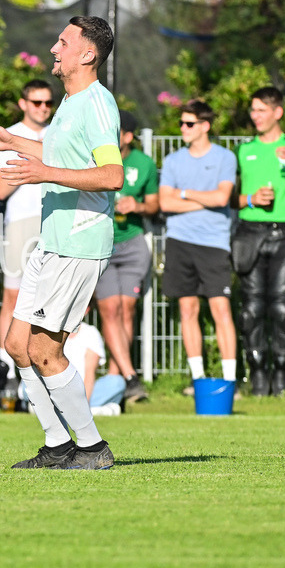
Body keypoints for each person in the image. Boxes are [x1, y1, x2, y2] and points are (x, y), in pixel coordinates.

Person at [0, 15, 123, 470]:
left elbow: (112, 176)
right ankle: (58, 446)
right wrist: (11, 141)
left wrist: (45, 173)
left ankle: (93, 449)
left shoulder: (96, 104)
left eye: (63, 42)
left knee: (44, 350)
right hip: (50, 244)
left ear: (87, 54)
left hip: (78, 243)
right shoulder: (71, 103)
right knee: (17, 345)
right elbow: (57, 154)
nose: (54, 49)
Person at [158, 99, 238, 395]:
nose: (183, 128)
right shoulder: (173, 161)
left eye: (189, 123)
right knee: (188, 309)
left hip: (214, 243)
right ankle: (198, 380)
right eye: (181, 123)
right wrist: (203, 198)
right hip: (180, 242)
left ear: (205, 126)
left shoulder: (225, 157)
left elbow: (222, 199)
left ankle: (229, 382)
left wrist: (185, 194)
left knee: (220, 308)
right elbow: (165, 203)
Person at [93, 110, 158, 403]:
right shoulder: (94, 157)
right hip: (102, 243)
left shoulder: (144, 163)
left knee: (127, 309)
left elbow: (154, 205)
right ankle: (131, 379)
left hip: (132, 244)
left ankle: (118, 380)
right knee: (109, 309)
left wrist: (139, 206)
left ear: (128, 136)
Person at [0, 79, 51, 386]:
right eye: (37, 102)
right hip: (19, 223)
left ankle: (47, 365)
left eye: (47, 103)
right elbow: (1, 188)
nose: (43, 109)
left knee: (51, 300)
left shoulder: (60, 132)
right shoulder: (9, 136)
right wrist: (38, 158)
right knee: (13, 297)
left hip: (55, 222)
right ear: (23, 103)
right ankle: (8, 372)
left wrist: (34, 161)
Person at [234, 86, 285, 396]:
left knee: (282, 309)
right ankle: (256, 377)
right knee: (251, 309)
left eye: (261, 110)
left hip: (284, 232)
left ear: (277, 112)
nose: (255, 116)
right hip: (249, 231)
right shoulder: (244, 151)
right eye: (253, 111)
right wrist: (251, 199)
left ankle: (280, 376)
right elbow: (229, 197)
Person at [61, 316, 125, 417]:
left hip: (84, 390)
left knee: (117, 382)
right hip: (57, 388)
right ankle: (99, 411)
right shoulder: (50, 328)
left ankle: (72, 409)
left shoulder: (90, 332)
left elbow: (90, 373)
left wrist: (83, 403)